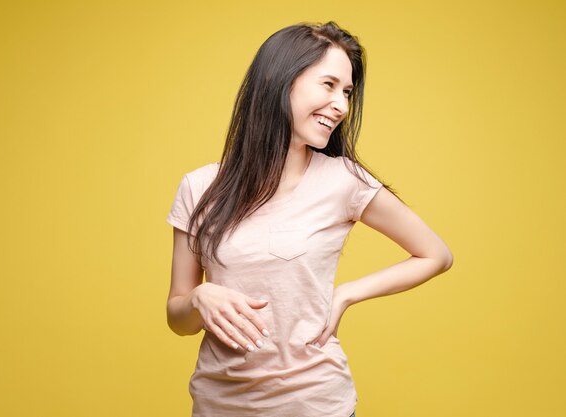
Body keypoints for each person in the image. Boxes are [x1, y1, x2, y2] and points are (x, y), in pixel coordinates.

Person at [165, 21, 453, 417]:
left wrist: (345, 295)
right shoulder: (199, 187)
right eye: (329, 85)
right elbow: (179, 319)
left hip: (315, 404)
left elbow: (435, 254)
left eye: (347, 92)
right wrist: (198, 298)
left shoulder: (343, 181)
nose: (342, 105)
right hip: (218, 405)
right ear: (279, 81)